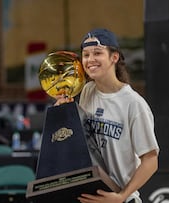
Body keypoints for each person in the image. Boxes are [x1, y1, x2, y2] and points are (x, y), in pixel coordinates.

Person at [56, 28, 159, 203]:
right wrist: (63, 113)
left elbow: (151, 160)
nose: (90, 60)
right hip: (90, 195)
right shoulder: (87, 91)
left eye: (97, 53)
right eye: (86, 55)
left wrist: (121, 196)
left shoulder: (133, 103)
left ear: (114, 57)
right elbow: (83, 143)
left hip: (120, 198)